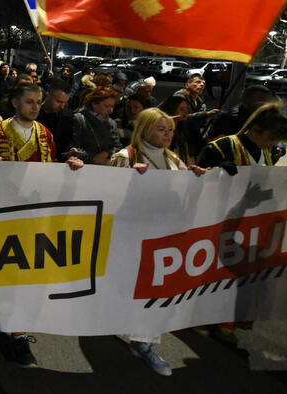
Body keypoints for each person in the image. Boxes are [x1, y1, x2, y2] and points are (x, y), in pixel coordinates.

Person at [0, 82, 82, 367]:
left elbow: (52, 172)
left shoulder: (45, 135)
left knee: (25, 275)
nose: (35, 106)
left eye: (38, 101)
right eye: (30, 101)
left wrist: (68, 167)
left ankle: (18, 333)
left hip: (33, 220)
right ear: (15, 103)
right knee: (1, 274)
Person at [108, 107, 204, 376]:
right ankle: (129, 331)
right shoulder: (125, 157)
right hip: (131, 240)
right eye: (161, 129)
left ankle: (144, 342)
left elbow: (184, 195)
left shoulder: (174, 159)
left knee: (156, 292)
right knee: (130, 291)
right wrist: (128, 180)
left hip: (164, 239)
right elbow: (107, 196)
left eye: (170, 129)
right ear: (145, 129)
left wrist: (196, 179)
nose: (167, 134)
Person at [196, 102, 287, 169]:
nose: (275, 144)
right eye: (272, 138)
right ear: (256, 129)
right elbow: (195, 181)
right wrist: (216, 172)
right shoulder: (220, 148)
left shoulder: (267, 152)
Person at [172, 73, 220, 158]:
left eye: (203, 84)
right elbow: (181, 117)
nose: (201, 85)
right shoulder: (180, 96)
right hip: (179, 136)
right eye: (197, 82)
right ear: (187, 85)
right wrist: (206, 114)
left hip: (193, 136)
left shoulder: (199, 100)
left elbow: (202, 123)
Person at [70, 88, 122, 165]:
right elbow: (73, 147)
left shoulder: (111, 123)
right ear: (94, 104)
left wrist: (107, 153)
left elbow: (118, 146)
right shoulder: (79, 119)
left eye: (112, 106)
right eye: (107, 106)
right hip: (82, 166)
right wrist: (93, 158)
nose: (111, 110)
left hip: (105, 167)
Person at [206, 84, 275, 139]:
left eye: (268, 101)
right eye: (261, 100)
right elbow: (211, 141)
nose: (266, 104)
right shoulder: (228, 118)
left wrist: (280, 148)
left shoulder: (266, 117)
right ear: (246, 100)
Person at [36, 81, 74, 153]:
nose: (62, 106)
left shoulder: (67, 117)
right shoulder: (33, 113)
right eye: (59, 102)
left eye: (65, 102)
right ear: (47, 96)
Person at [157, 94, 194, 163]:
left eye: (187, 109)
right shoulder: (160, 128)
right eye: (182, 109)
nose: (186, 112)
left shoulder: (185, 128)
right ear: (172, 109)